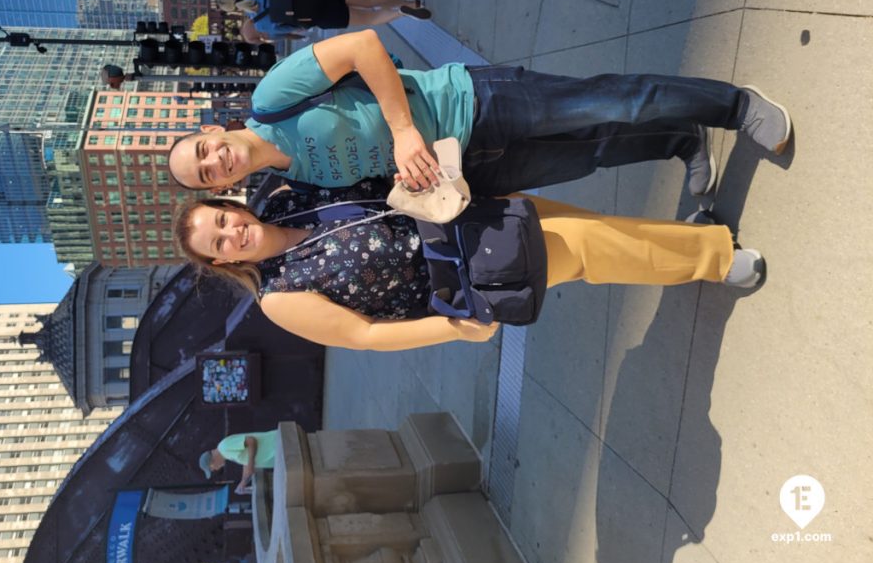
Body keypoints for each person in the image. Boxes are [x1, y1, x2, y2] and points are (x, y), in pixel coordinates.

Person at [167, 30, 792, 198]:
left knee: (613, 99)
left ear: (210, 132)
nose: (216, 163)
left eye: (204, 152)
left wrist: (406, 128)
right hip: (466, 171)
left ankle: (736, 106)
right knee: (593, 152)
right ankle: (680, 141)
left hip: (471, 101)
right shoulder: (291, 180)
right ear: (220, 188)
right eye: (208, 176)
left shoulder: (274, 98)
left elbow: (364, 46)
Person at [173, 180, 766, 352]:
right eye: (218, 246)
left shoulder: (282, 198)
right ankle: (718, 260)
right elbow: (363, 334)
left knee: (580, 227)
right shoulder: (278, 296)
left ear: (228, 205)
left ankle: (693, 243)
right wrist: (454, 329)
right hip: (461, 273)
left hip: (457, 213)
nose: (231, 235)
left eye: (221, 221)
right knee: (582, 247)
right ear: (222, 264)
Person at [220, 0, 431, 44]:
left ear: (233, 10)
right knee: (367, 0)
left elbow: (293, 32)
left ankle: (400, 13)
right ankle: (412, 3)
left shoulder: (261, 23)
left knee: (370, 18)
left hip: (320, 15)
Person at [199, 430, 277, 493]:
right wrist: (243, 482)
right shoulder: (226, 454)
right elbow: (246, 463)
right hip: (275, 455)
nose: (216, 469)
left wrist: (251, 464)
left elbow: (251, 441)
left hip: (276, 445)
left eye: (212, 469)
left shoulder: (224, 446)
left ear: (212, 463)